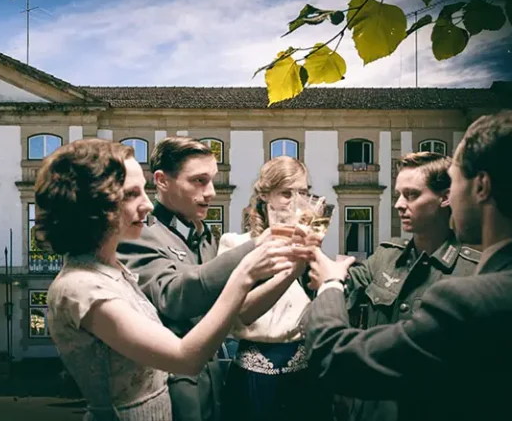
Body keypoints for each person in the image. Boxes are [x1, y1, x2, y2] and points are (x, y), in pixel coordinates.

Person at [300, 110, 512, 421]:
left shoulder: (470, 299)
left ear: (481, 187)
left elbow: (336, 359)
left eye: (455, 181)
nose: (399, 204)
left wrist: (330, 283)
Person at [40, 139, 300, 421]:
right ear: (94, 204)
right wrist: (247, 266)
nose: (148, 205)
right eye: (131, 194)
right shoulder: (82, 287)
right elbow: (182, 347)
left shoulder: (112, 270)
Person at [118, 137, 309, 421]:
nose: (210, 193)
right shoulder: (139, 234)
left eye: (211, 181)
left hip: (219, 381)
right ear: (161, 181)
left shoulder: (205, 237)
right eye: (198, 181)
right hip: (174, 389)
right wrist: (256, 247)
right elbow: (173, 296)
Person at [311, 152, 480, 421]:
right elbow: (332, 292)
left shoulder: (472, 272)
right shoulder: (386, 257)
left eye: (411, 195)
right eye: (399, 195)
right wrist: (310, 250)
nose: (399, 205)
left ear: (445, 197)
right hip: (369, 410)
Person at [217, 156, 332, 421]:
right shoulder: (237, 245)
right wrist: (294, 267)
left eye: (303, 193)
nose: (296, 201)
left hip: (305, 373)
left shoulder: (309, 245)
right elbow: (240, 314)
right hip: (256, 376)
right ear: (265, 195)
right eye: (286, 193)